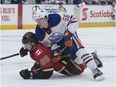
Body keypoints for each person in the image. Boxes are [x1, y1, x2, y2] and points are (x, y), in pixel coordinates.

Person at [31, 8, 104, 81]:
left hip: (70, 36)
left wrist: (68, 35)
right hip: (60, 44)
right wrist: (56, 51)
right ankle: (93, 57)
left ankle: (95, 70)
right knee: (78, 61)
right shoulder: (39, 33)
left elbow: (73, 21)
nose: (38, 22)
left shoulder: (56, 18)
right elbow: (50, 44)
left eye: (40, 20)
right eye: (37, 20)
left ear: (46, 18)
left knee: (80, 51)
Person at [19, 32, 85, 79]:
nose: (25, 46)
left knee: (81, 68)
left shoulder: (40, 53)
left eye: (26, 44)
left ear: (33, 43)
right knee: (34, 69)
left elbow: (48, 73)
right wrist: (25, 49)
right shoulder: (37, 44)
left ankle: (88, 61)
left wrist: (31, 75)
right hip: (56, 57)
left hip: (66, 65)